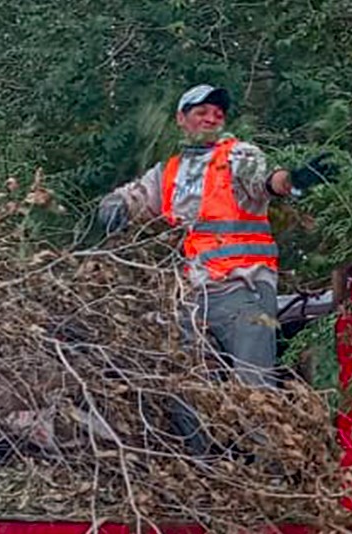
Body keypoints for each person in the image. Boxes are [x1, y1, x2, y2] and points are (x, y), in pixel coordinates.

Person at [97, 83, 337, 387]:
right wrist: (113, 207)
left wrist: (293, 180)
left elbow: (267, 181)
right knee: (186, 383)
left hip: (244, 288)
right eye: (202, 112)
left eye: (218, 114)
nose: (211, 118)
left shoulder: (238, 156)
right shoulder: (168, 171)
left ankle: (261, 417)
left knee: (254, 385)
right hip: (194, 294)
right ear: (181, 119)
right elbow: (135, 198)